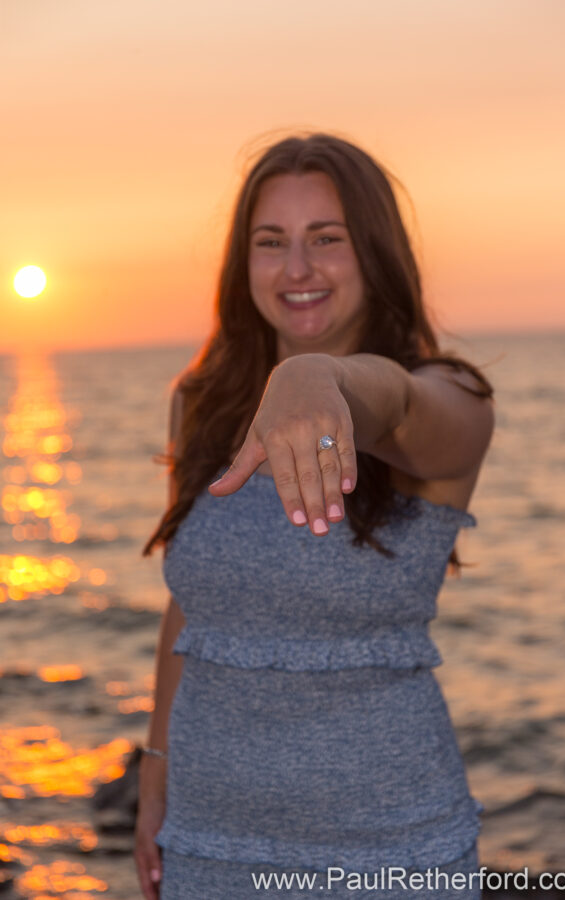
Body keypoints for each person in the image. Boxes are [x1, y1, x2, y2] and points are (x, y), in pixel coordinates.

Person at [134, 132, 495, 899]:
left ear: (373, 251)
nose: (297, 269)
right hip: (209, 841)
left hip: (391, 851)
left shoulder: (451, 399)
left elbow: (396, 403)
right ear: (245, 262)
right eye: (272, 242)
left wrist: (317, 378)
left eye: (325, 239)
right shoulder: (201, 403)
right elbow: (191, 607)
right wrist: (155, 768)